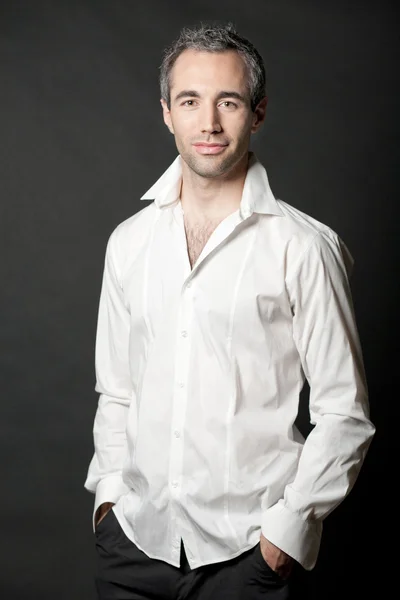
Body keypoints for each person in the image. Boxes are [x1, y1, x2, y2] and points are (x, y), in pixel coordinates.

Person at [84, 22, 375, 600]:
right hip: (134, 546)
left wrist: (284, 538)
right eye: (190, 101)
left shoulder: (304, 248)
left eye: (229, 102)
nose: (209, 123)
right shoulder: (129, 243)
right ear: (167, 112)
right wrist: (109, 500)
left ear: (258, 113)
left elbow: (344, 414)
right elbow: (117, 391)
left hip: (247, 557)